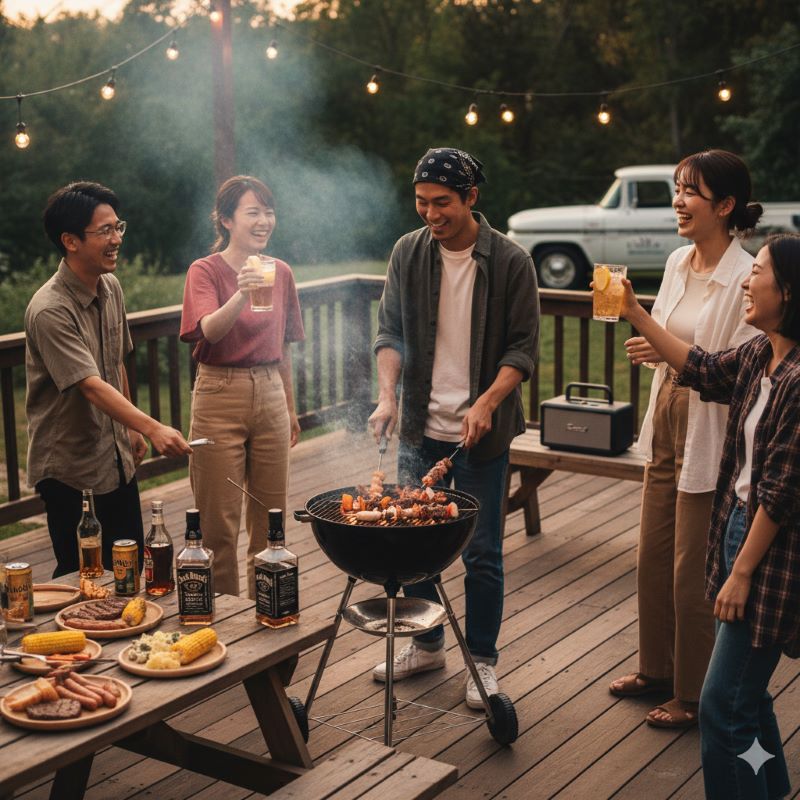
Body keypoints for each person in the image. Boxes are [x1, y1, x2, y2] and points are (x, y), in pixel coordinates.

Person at [619, 233, 800, 800]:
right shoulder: (761, 354)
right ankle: (769, 788)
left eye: (759, 272)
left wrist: (741, 571)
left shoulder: (798, 380)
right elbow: (700, 366)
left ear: (788, 292)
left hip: (766, 549)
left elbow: (781, 492)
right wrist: (635, 313)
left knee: (722, 706)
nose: (747, 279)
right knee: (748, 695)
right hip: (737, 529)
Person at [368, 148, 539, 708]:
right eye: (421, 202)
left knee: (481, 551)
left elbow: (522, 350)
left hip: (481, 433)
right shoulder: (408, 252)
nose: (430, 213)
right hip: (421, 426)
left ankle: (482, 661)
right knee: (414, 540)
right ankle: (426, 644)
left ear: (471, 197)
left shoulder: (511, 261)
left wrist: (486, 402)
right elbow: (389, 333)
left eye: (442, 202)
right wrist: (387, 397)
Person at [608, 150, 762, 729]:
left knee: (691, 568)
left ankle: (694, 693)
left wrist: (637, 317)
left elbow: (726, 372)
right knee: (651, 556)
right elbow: (674, 344)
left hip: (710, 430)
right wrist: (652, 348)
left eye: (690, 191)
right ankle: (656, 669)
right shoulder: (677, 261)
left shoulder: (746, 277)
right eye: (677, 188)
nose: (678, 200)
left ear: (725, 206)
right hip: (667, 416)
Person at [25, 181, 191, 578]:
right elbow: (89, 384)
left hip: (115, 458)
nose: (116, 239)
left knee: (127, 568)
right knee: (81, 575)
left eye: (118, 227)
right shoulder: (49, 309)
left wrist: (130, 430)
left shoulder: (110, 287)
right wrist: (152, 427)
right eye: (105, 231)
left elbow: (115, 363)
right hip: (69, 467)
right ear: (70, 241)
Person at [180, 176, 304, 598]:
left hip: (270, 392)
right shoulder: (205, 270)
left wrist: (289, 407)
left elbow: (284, 347)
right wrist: (242, 292)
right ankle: (224, 622)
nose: (264, 220)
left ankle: (267, 614)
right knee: (218, 527)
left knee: (271, 523)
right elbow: (210, 331)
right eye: (253, 212)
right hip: (219, 394)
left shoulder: (281, 272)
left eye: (269, 212)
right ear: (226, 219)